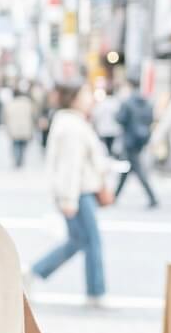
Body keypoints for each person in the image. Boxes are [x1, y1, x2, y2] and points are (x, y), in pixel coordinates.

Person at [29, 83, 111, 304]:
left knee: (78, 240)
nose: (90, 98)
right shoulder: (72, 126)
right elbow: (70, 166)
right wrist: (68, 199)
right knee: (91, 241)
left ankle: (33, 273)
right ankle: (96, 292)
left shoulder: (70, 122)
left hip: (79, 192)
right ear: (74, 98)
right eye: (86, 94)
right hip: (79, 193)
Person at [113, 79, 158, 208]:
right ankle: (115, 196)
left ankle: (152, 197)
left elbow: (120, 118)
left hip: (130, 140)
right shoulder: (146, 103)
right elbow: (150, 119)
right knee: (127, 169)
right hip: (141, 139)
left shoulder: (127, 103)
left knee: (136, 169)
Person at [3, 87, 35, 169]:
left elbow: (6, 116)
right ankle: (20, 159)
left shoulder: (10, 104)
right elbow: (32, 115)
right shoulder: (27, 103)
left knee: (15, 144)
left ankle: (17, 160)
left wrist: (6, 126)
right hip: (25, 127)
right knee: (23, 145)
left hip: (14, 128)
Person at [92, 86, 123, 156]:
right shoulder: (117, 103)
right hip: (114, 129)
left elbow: (96, 114)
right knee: (111, 147)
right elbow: (120, 116)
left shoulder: (102, 103)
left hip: (103, 129)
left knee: (104, 148)